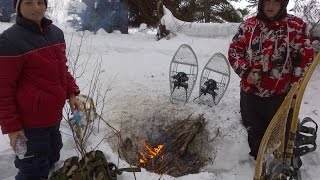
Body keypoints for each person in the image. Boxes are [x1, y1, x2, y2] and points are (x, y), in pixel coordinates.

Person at [0, 0, 81, 179]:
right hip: (30, 123)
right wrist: (12, 127)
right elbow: (3, 90)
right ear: (18, 8)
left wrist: (71, 93)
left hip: (53, 116)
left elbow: (62, 70)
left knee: (52, 154)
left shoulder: (56, 34)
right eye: (29, 2)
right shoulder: (9, 41)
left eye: (40, 2)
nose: (36, 7)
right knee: (33, 168)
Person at [228, 0, 314, 159]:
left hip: (281, 96)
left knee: (280, 136)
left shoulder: (296, 26)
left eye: (275, 2)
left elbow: (304, 59)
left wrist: (294, 88)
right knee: (254, 134)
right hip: (250, 95)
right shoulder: (248, 26)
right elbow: (234, 52)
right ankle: (258, 164)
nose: (270, 6)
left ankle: (280, 163)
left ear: (283, 4)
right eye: (267, 1)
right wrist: (246, 72)